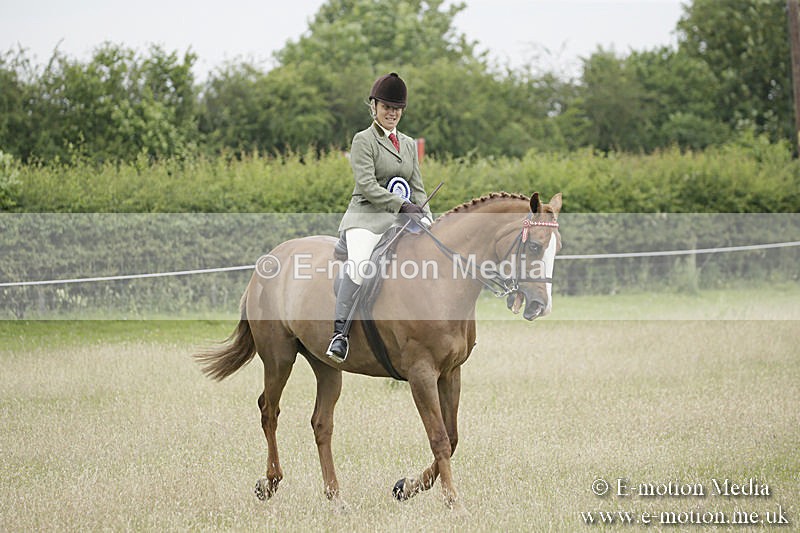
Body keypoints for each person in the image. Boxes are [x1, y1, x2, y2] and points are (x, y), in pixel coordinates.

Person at [326, 72, 432, 363]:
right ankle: (340, 334)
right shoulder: (363, 140)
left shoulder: (408, 144)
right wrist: (402, 206)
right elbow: (368, 186)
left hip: (401, 219)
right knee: (360, 264)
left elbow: (418, 188)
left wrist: (427, 218)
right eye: (386, 107)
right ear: (374, 107)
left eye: (397, 109)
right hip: (366, 218)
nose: (392, 113)